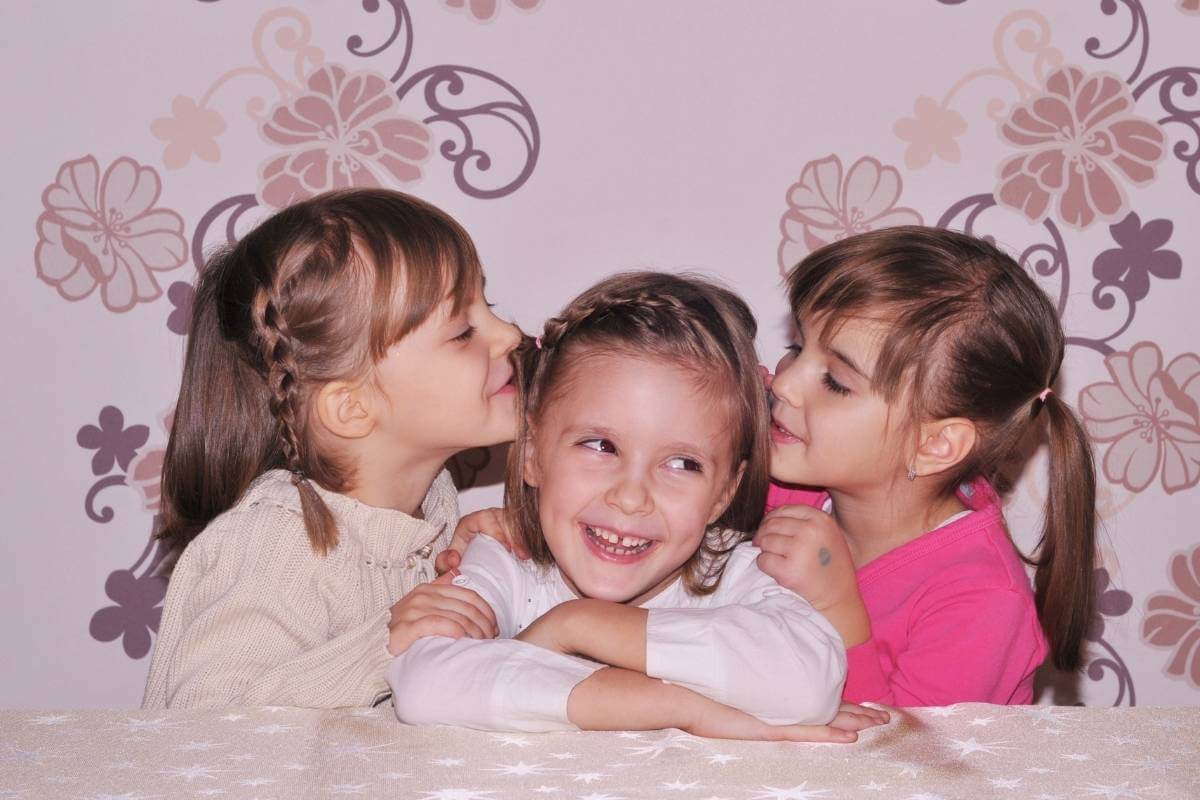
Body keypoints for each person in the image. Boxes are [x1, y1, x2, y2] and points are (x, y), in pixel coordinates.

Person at [388, 272, 887, 741]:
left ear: (724, 493)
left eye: (683, 464)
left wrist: (576, 626)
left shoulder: (739, 573)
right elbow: (423, 682)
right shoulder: (505, 560)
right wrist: (683, 709)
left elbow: (807, 684)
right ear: (534, 455)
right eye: (601, 446)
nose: (631, 496)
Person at [143, 189, 521, 709]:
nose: (508, 334)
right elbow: (207, 721)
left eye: (491, 308)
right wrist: (384, 649)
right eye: (462, 331)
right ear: (352, 408)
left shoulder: (432, 503)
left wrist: (485, 566)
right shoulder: (276, 544)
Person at [756, 226, 1097, 706]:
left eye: (834, 381)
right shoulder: (796, 481)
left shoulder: (982, 601)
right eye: (796, 348)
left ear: (934, 444)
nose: (786, 382)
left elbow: (907, 764)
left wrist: (835, 607)